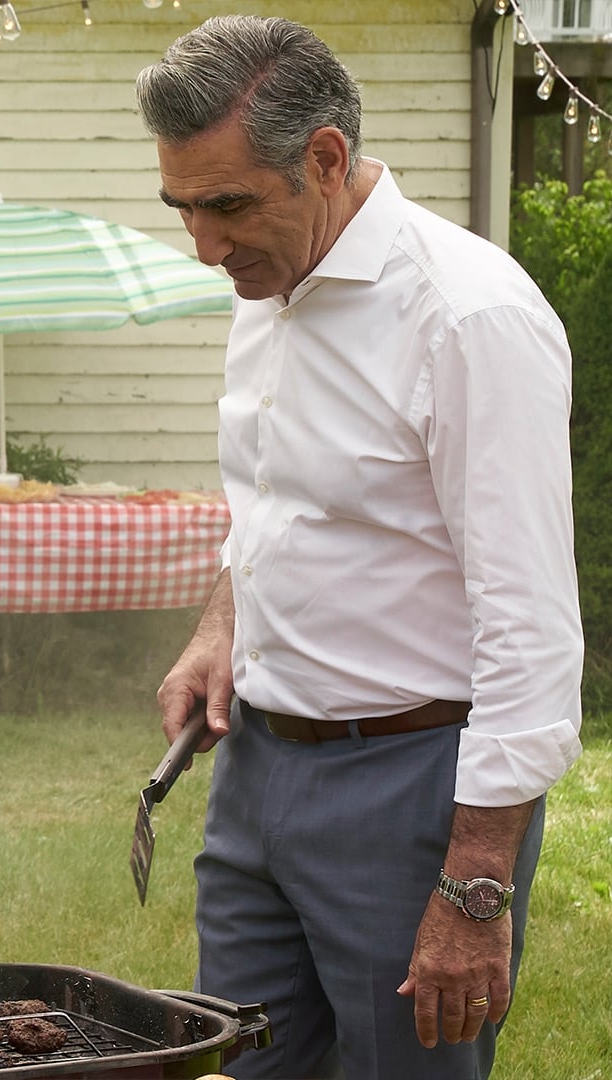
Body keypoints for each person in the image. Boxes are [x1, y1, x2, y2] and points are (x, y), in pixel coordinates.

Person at [136, 16, 583, 1079]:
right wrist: (222, 624)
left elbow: (530, 627)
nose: (204, 245)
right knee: (243, 1065)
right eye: (181, 207)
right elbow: (278, 504)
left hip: (413, 790)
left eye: (227, 204)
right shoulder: (269, 283)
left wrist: (475, 883)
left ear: (326, 159)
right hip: (255, 772)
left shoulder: (468, 317)